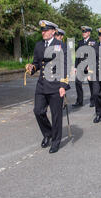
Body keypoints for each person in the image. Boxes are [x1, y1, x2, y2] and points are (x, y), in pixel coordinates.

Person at [26, 20, 69, 154]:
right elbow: (37, 64)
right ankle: (48, 133)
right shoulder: (39, 45)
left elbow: (65, 66)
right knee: (38, 111)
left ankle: (56, 141)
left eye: (46, 30)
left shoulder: (61, 46)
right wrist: (31, 68)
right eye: (42, 31)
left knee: (56, 115)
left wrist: (63, 85)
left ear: (53, 31)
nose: (43, 33)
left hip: (56, 85)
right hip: (42, 85)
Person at [73, 26, 96, 108]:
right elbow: (77, 56)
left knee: (91, 84)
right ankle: (79, 101)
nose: (83, 33)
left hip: (89, 66)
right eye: (83, 32)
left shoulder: (92, 42)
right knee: (78, 83)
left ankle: (93, 100)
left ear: (89, 33)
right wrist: (75, 67)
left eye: (85, 32)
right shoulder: (80, 42)